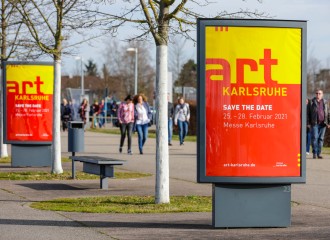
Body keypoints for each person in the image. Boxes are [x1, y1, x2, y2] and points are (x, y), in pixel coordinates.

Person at [307, 89, 330, 159]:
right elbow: (308, 113)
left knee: (321, 139)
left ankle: (319, 153)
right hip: (314, 124)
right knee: (315, 138)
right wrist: (308, 123)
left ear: (322, 95)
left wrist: (328, 122)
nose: (318, 94)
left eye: (319, 93)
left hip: (323, 124)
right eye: (317, 93)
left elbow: (328, 113)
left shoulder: (325, 102)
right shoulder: (311, 102)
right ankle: (314, 153)